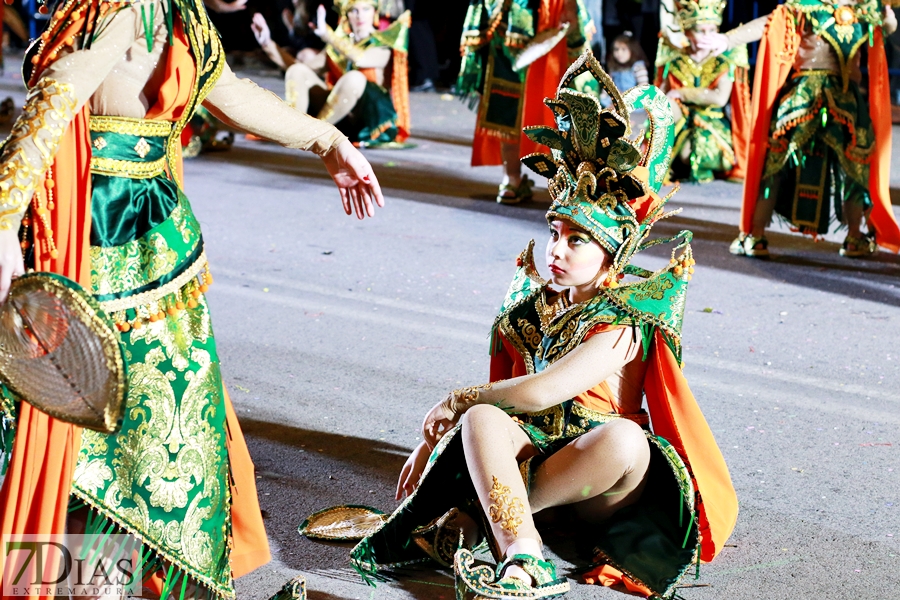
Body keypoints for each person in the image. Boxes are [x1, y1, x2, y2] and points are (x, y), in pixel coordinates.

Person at [304, 52, 738, 600]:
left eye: (577, 240)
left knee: (626, 439)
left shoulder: (629, 321)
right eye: (555, 232)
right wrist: (456, 434)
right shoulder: (532, 308)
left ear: (613, 253)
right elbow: (505, 408)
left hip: (599, 491)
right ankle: (521, 553)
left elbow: (541, 391)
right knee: (485, 419)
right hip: (541, 481)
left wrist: (455, 402)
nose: (557, 249)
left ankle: (466, 520)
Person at [0, 0, 384, 597]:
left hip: (155, 249)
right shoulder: (130, 8)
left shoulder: (184, 15)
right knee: (101, 445)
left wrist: (326, 140)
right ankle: (82, 584)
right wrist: (4, 216)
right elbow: (57, 94)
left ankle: (100, 583)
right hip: (103, 247)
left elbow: (227, 90)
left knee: (134, 445)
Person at [712, 0, 900, 258]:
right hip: (820, 95)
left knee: (850, 167)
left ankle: (756, 236)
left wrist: (887, 16)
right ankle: (851, 237)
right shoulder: (806, 6)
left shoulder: (863, 8)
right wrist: (728, 39)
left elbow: (887, 27)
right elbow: (771, 22)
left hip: (826, 97)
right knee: (792, 163)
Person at [457, 0, 595, 204]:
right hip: (534, 17)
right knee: (555, 96)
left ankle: (511, 180)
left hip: (517, 20)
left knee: (521, 98)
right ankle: (568, 184)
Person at [254, 0, 411, 147]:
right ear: (346, 14)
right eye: (353, 10)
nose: (360, 15)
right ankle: (295, 129)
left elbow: (360, 58)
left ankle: (314, 132)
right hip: (338, 115)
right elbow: (299, 68)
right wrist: (268, 44)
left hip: (366, 119)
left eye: (366, 9)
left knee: (354, 78)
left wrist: (328, 35)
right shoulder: (339, 43)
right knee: (298, 71)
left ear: (374, 12)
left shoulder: (383, 44)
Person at [655, 0, 750, 183]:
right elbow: (662, 98)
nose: (708, 36)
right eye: (701, 31)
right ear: (688, 32)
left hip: (712, 125)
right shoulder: (675, 61)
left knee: (689, 154)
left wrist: (683, 93)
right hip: (681, 121)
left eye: (712, 31)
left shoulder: (723, 62)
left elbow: (720, 98)